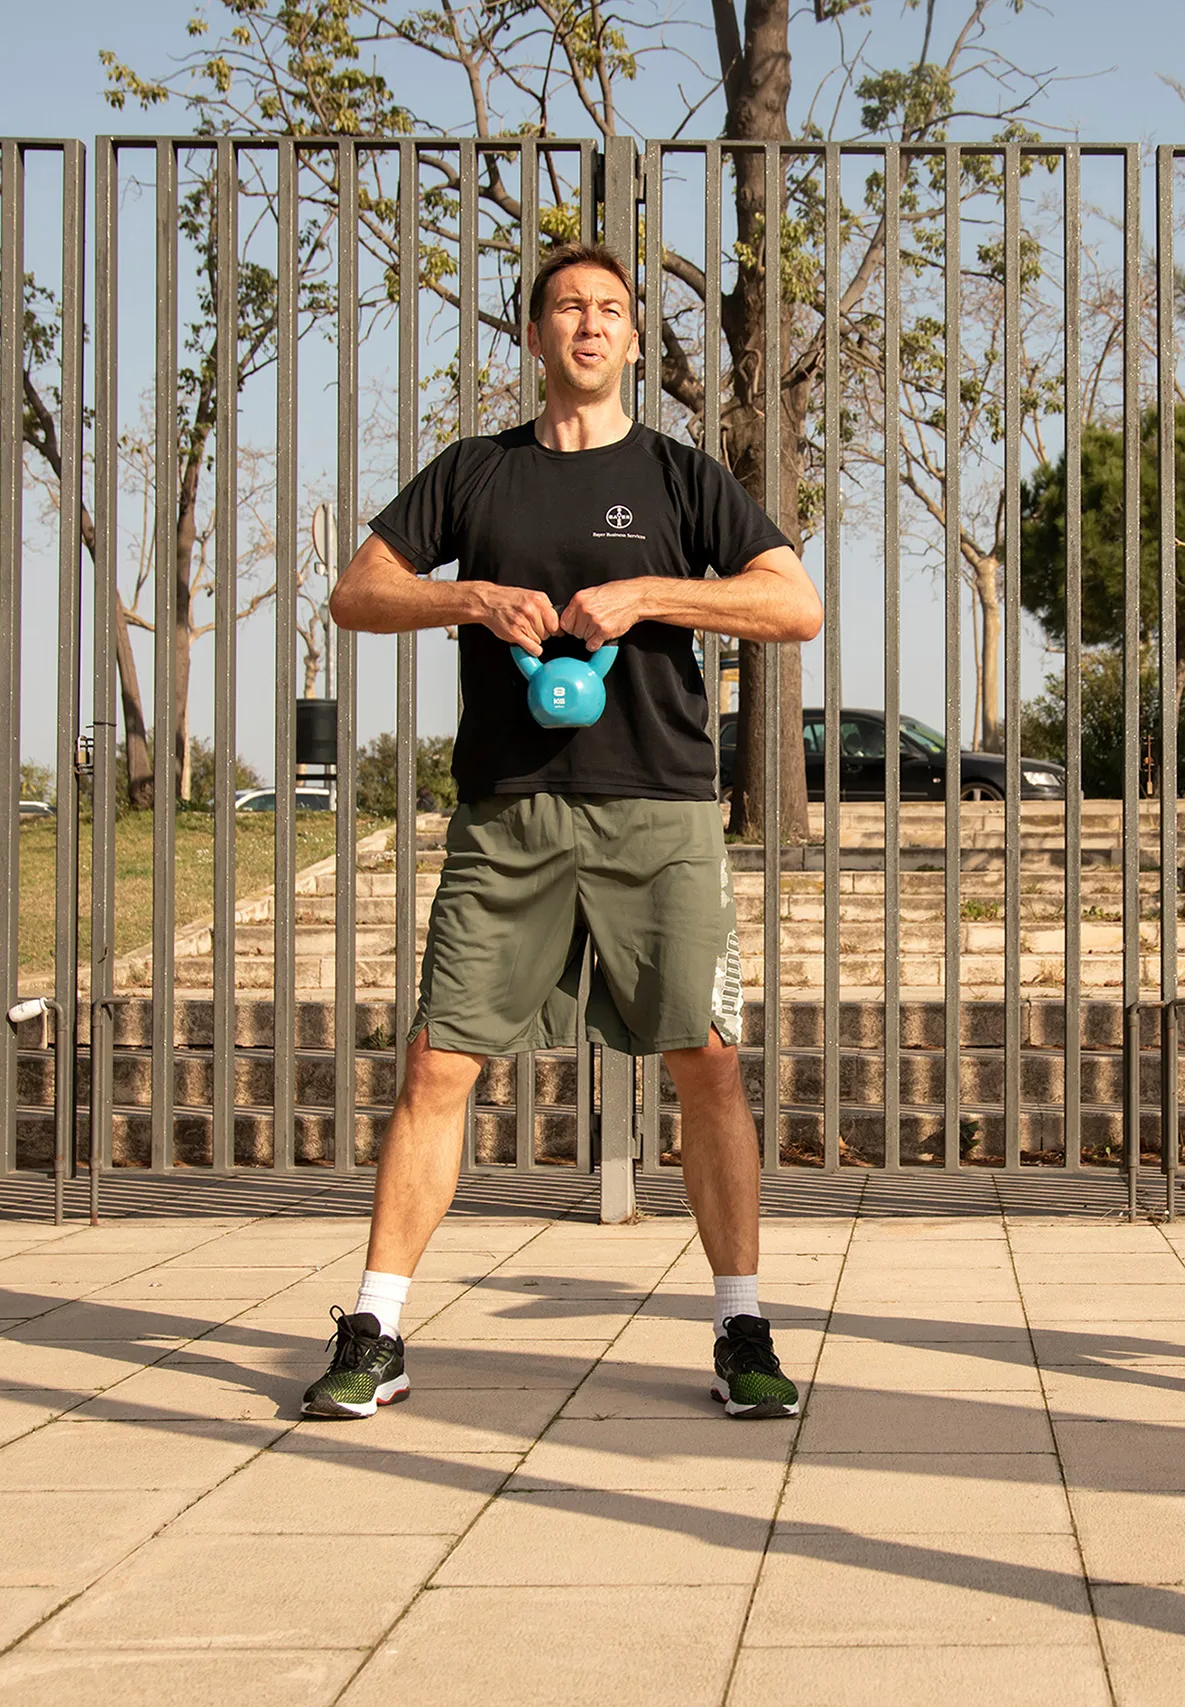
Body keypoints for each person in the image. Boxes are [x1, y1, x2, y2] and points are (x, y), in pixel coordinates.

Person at [300, 242, 823, 1423]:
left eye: (610, 309)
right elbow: (357, 592)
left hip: (660, 811)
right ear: (534, 336)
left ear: (632, 340)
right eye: (567, 308)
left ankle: (740, 1325)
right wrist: (469, 596)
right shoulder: (476, 473)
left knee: (706, 1060)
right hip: (509, 814)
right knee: (438, 1061)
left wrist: (651, 594)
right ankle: (375, 1330)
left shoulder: (682, 478)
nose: (589, 324)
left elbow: (794, 605)